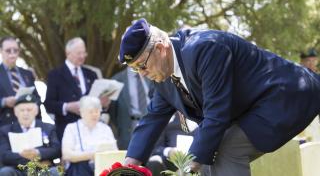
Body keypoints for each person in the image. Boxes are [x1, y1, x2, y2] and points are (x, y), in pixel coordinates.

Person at [118, 18, 320, 176]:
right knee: (207, 150)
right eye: (135, 70)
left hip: (285, 94)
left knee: (223, 149)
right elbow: (153, 119)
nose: (142, 73)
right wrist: (128, 167)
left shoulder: (204, 49)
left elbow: (216, 114)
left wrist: (188, 168)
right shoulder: (162, 77)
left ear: (161, 49)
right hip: (254, 107)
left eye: (142, 65)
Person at [44, 37, 110, 141]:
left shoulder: (91, 74)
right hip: (67, 131)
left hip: (92, 130)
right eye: (79, 53)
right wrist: (67, 107)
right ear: (68, 53)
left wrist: (103, 104)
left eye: (84, 53)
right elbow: (49, 104)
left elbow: (97, 102)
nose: (82, 56)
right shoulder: (55, 75)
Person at [0, 94, 61, 176]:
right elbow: (4, 155)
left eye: (29, 110)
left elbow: (56, 150)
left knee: (55, 171)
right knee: (5, 172)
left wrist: (37, 153)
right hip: (18, 170)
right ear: (15, 112)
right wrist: (24, 155)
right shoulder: (5, 130)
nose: (26, 113)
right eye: (22, 110)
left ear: (36, 111)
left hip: (42, 169)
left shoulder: (48, 127)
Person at [62, 96, 118, 176]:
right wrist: (92, 155)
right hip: (80, 170)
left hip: (104, 168)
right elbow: (67, 155)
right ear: (82, 112)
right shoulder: (71, 128)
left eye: (97, 111)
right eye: (91, 112)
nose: (94, 114)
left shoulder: (105, 128)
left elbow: (115, 152)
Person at [109, 67, 154, 149]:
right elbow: (112, 112)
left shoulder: (152, 75)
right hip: (130, 127)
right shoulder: (116, 80)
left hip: (152, 123)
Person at [0, 36, 41, 126]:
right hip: (5, 126)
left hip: (30, 125)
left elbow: (37, 98)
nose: (12, 54)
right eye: (8, 50)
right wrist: (4, 102)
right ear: (1, 51)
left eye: (15, 50)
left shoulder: (27, 73)